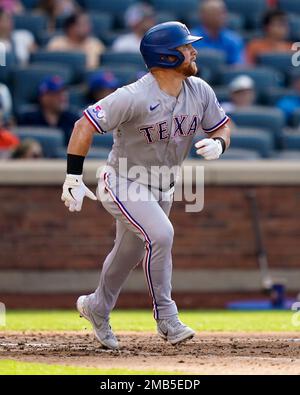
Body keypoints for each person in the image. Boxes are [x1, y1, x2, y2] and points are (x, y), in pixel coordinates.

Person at [61, 21, 231, 350]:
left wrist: (220, 144)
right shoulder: (135, 95)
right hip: (123, 179)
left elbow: (222, 127)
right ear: (167, 57)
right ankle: (167, 318)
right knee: (162, 234)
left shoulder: (200, 90)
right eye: (185, 48)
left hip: (162, 187)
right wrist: (73, 176)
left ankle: (97, 307)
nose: (193, 51)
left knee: (127, 253)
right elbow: (85, 124)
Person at [17, 75, 78, 146]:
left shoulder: (73, 119)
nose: (63, 96)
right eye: (57, 93)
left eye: (64, 92)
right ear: (44, 97)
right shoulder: (27, 119)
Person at [191, 0, 244, 65]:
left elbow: (237, 65)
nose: (223, 17)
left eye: (224, 13)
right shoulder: (191, 40)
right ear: (203, 16)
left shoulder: (233, 39)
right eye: (216, 13)